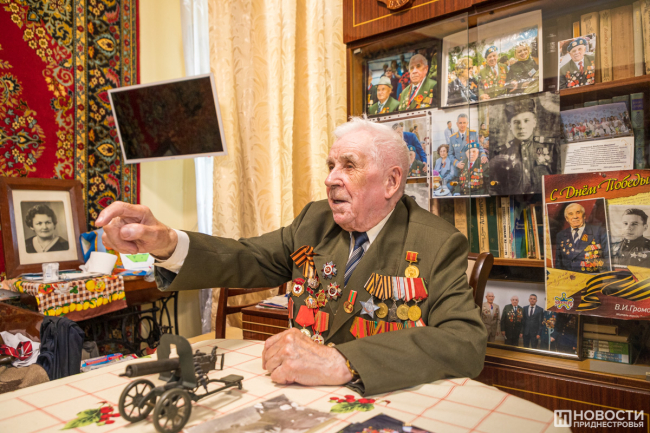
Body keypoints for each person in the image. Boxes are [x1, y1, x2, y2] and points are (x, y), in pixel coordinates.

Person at [95, 116, 487, 396]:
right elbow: (247, 257)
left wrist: (342, 362)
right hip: (300, 397)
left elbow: (464, 343)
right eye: (331, 165)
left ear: (391, 181)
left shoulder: (437, 243)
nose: (330, 178)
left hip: (384, 400)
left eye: (349, 165)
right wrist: (167, 242)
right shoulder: (314, 220)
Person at [490, 99, 554, 195]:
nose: (521, 126)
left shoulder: (550, 147)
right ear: (510, 126)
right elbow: (496, 188)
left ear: (534, 122)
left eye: (526, 121)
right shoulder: (501, 152)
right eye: (516, 122)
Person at [554, 203, 608, 273]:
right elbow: (559, 263)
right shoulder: (561, 235)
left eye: (578, 213)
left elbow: (608, 259)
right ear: (567, 219)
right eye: (570, 214)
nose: (575, 217)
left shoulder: (599, 231)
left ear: (584, 216)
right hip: (569, 278)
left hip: (591, 277)